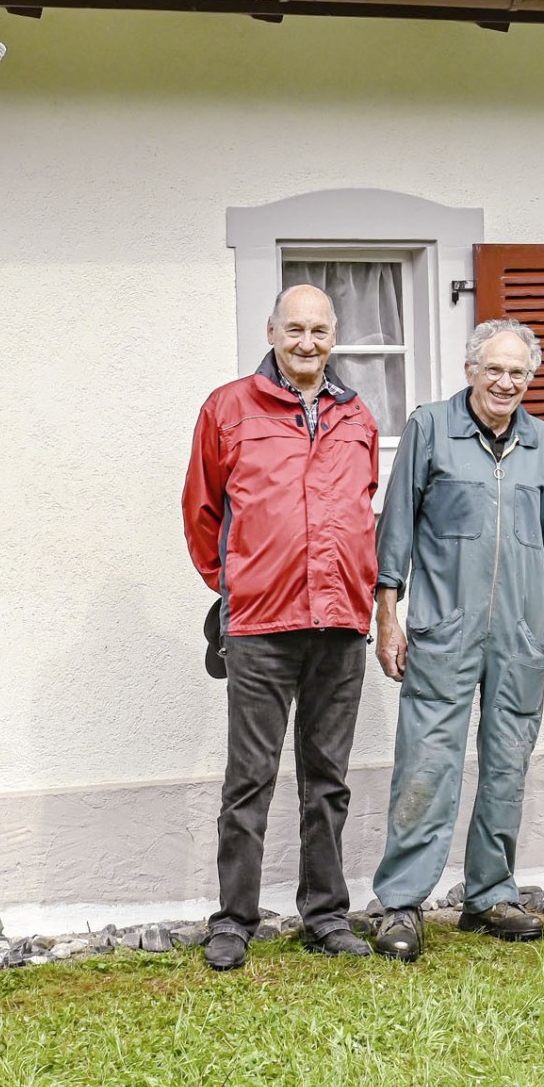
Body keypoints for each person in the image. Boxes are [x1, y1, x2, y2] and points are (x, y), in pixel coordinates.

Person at [367, 321, 544, 963]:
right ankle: (402, 902)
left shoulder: (543, 442)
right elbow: (397, 523)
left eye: (519, 373)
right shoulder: (430, 427)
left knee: (507, 762)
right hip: (445, 628)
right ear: (471, 370)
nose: (506, 382)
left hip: (520, 632)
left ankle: (490, 894)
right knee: (427, 763)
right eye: (495, 369)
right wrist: (388, 612)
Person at [182, 283, 382, 969]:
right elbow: (202, 514)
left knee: (328, 779)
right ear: (271, 330)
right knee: (250, 781)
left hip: (339, 624)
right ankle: (234, 918)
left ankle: (325, 913)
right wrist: (241, 584)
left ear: (334, 337)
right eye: (294, 328)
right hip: (261, 627)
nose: (307, 341)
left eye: (320, 330)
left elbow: (362, 510)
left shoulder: (357, 415)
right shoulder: (228, 407)